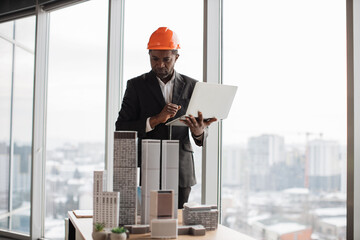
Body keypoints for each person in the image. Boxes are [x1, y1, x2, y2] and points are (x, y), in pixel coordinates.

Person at [115, 27, 217, 208]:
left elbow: (202, 130)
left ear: (176, 58)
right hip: (149, 164)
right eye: (154, 59)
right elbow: (121, 126)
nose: (160, 65)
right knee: (150, 221)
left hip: (181, 168)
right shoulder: (136, 86)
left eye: (166, 59)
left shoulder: (192, 85)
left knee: (177, 223)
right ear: (149, 56)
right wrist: (155, 120)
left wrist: (199, 131)